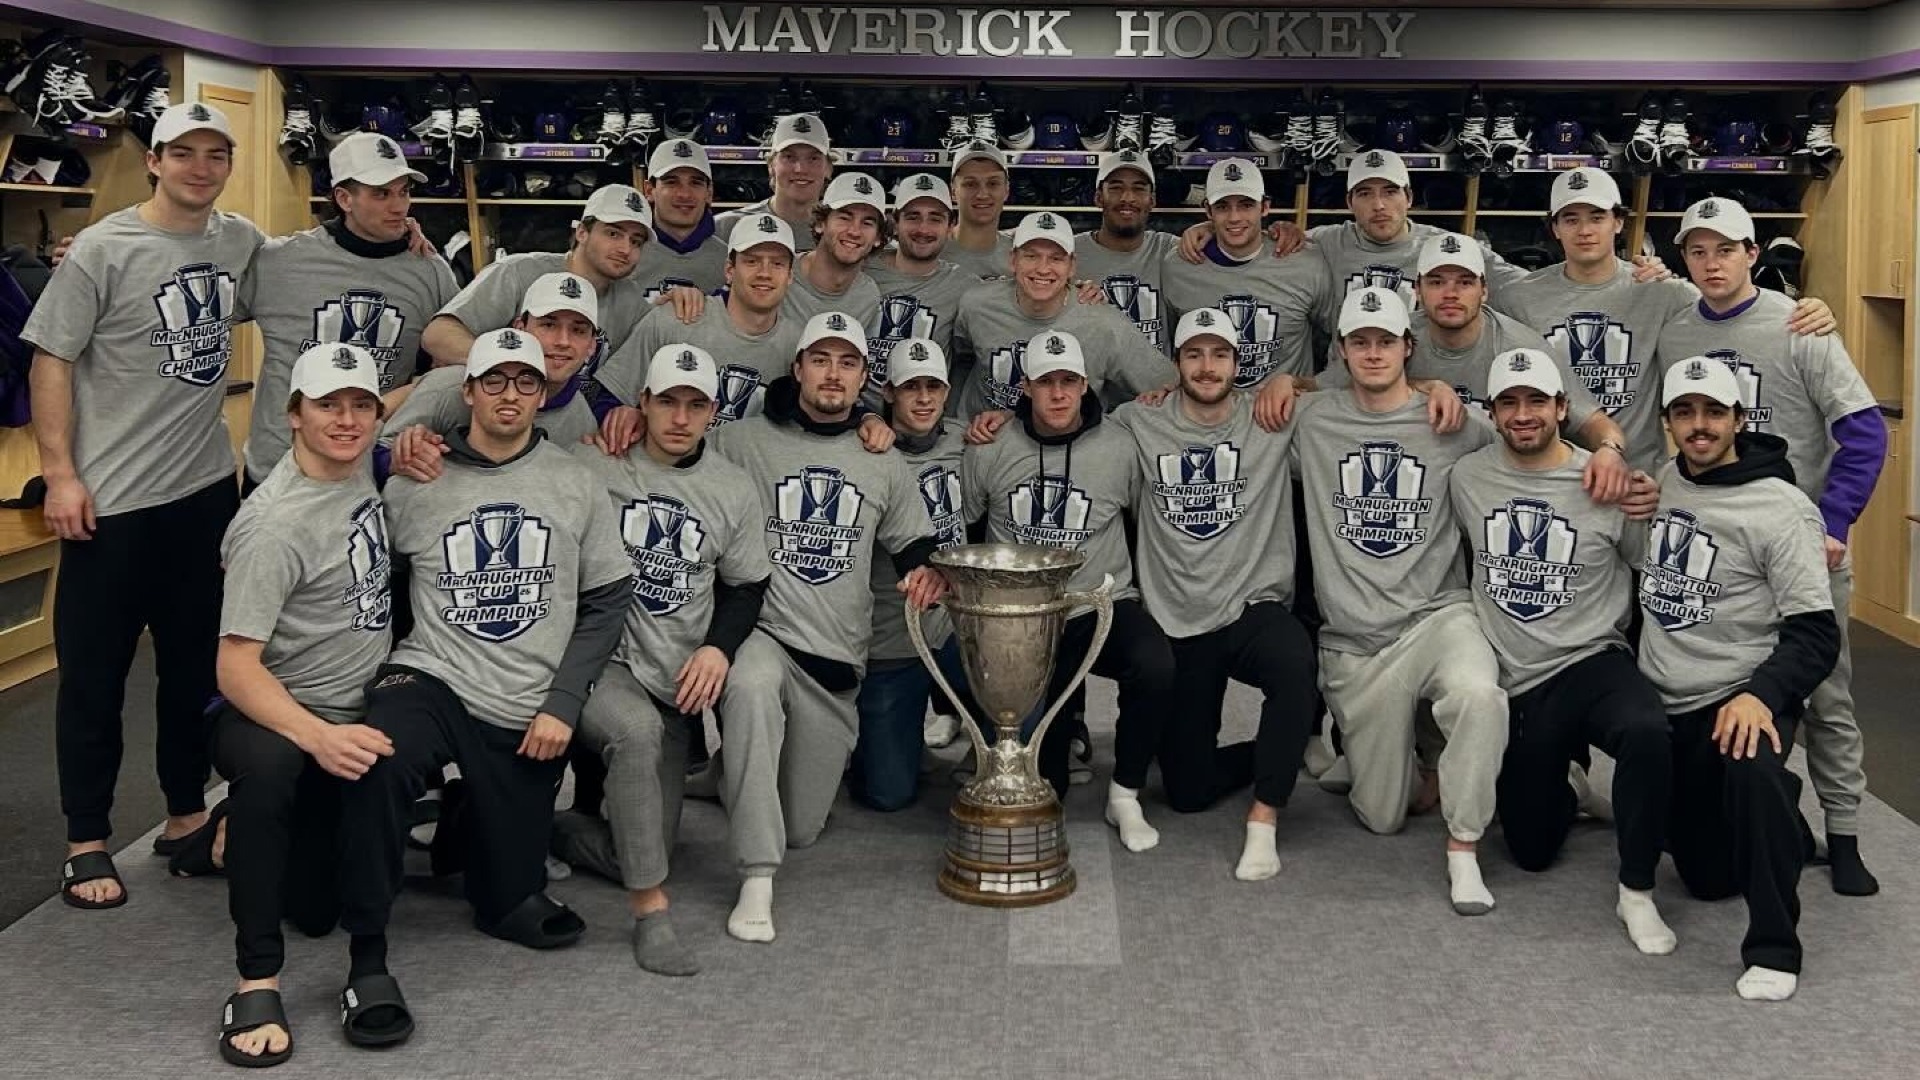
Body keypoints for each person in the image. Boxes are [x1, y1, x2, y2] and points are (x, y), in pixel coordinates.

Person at [333, 327, 632, 1046]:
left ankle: (472, 828)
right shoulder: (415, 480)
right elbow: (380, 587)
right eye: (493, 381)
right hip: (431, 673)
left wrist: (563, 703)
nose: (508, 395)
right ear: (466, 391)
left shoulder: (573, 481)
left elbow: (608, 599)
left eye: (525, 383)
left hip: (524, 697)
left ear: (543, 394)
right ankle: (366, 956)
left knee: (507, 898)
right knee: (382, 755)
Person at [25, 101, 264, 908]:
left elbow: (312, 270)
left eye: (216, 153)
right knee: (94, 676)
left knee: (194, 671)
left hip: (202, 498)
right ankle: (86, 839)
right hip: (111, 503)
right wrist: (60, 474)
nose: (201, 167)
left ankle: (182, 813)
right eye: (184, 153)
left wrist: (403, 241)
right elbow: (51, 360)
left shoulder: (240, 242)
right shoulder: (101, 249)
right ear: (155, 161)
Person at [1655, 196, 1887, 897]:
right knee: (1726, 695)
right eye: (1697, 251)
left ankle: (1843, 833)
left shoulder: (1800, 326)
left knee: (1827, 698)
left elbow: (1865, 433)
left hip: (1802, 548)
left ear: (1753, 254)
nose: (1712, 263)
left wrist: (1834, 522)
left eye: (1726, 249)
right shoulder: (1674, 328)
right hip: (1718, 555)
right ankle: (1761, 812)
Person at [705, 311, 948, 942]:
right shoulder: (740, 441)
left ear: (864, 378)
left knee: (805, 826)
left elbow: (916, 544)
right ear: (798, 368)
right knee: (751, 684)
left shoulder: (880, 459)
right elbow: (671, 462)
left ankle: (727, 772)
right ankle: (757, 876)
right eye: (821, 360)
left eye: (846, 363)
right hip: (763, 634)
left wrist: (928, 576)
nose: (832, 374)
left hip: (835, 659)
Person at [201, 342, 395, 1065]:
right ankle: (255, 979)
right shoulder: (275, 526)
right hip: (271, 713)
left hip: (347, 705)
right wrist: (317, 737)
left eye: (361, 405)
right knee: (271, 780)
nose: (346, 420)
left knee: (318, 911)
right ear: (292, 416)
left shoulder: (354, 470)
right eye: (327, 405)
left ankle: (228, 831)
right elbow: (234, 667)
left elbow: (421, 394)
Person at [552, 343, 772, 975]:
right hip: (600, 662)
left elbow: (746, 585)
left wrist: (716, 648)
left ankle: (537, 828)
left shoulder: (730, 490)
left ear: (712, 413)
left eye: (695, 404)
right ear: (641, 403)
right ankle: (652, 916)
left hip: (669, 674)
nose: (680, 417)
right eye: (667, 401)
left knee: (644, 846)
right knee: (635, 733)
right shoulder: (593, 464)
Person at [1449, 347, 1675, 953]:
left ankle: (1637, 891)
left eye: (1537, 402)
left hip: (1592, 658)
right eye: (1510, 403)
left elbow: (1655, 572)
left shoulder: (1604, 480)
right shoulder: (1467, 478)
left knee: (1648, 732)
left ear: (1561, 407)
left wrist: (1647, 498)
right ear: (1493, 413)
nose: (1524, 415)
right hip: (1520, 678)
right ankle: (1571, 788)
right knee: (1529, 849)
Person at [1292, 285, 1507, 915]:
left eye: (1386, 340)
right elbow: (1222, 413)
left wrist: (1604, 456)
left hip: (1438, 615)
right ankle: (1409, 757)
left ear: (1409, 347)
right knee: (1381, 815)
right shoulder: (1314, 419)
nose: (1374, 352)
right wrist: (1287, 387)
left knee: (1478, 694)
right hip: (1358, 641)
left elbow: (1533, 440)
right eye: (1361, 342)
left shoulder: (1453, 420)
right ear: (1341, 351)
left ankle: (1464, 848)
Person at [1638, 356, 1840, 1001]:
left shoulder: (1782, 509)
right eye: (1685, 413)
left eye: (1714, 412)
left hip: (1740, 693)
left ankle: (1776, 950)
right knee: (1706, 878)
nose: (1700, 426)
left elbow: (1816, 633)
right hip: (1667, 698)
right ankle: (1785, 830)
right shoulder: (1668, 480)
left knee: (1753, 775)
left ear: (1739, 420)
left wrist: (1760, 695)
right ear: (1669, 422)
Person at [1113, 309, 1315, 880]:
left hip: (1252, 605)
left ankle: (1264, 819)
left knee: (1294, 662)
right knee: (1188, 791)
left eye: (1219, 354)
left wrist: (1293, 380)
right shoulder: (1136, 420)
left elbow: (1366, 387)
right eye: (1194, 355)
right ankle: (1279, 746)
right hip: (1179, 617)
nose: (1207, 367)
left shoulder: (1273, 416)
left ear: (1237, 362)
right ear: (1176, 363)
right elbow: (1071, 427)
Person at [960, 329, 1174, 850]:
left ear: (1086, 384)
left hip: (1099, 605)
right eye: (1046, 381)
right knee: (1041, 782)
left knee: (1155, 663)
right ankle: (1049, 753)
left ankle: (1124, 792)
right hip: (1025, 622)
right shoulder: (990, 447)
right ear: (1026, 387)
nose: (1058, 393)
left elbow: (1140, 524)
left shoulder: (1121, 447)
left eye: (1069, 381)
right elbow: (963, 530)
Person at [1496, 168, 1835, 472]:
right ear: (1554, 228)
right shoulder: (1519, 296)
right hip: (1548, 472)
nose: (1584, 230)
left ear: (1618, 222)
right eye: (1570, 219)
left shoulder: (1663, 292)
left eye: (1597, 216)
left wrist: (1805, 308)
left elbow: (1734, 304)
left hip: (1638, 478)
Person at [1319, 232, 1635, 506]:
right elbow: (1324, 388)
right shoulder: (1394, 339)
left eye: (1465, 282)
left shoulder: (1519, 346)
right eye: (1437, 282)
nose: (1451, 294)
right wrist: (1286, 383)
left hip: (1494, 493)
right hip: (1412, 491)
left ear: (1484, 290)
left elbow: (1591, 419)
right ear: (1417, 290)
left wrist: (1610, 451)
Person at [241, 131, 458, 488]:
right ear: (344, 198)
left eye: (404, 191)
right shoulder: (279, 261)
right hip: (277, 474)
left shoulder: (431, 272)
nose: (399, 206)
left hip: (369, 473)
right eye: (381, 193)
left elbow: (451, 369)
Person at [850, 337, 969, 811]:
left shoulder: (968, 441)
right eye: (911, 387)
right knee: (887, 793)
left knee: (1017, 694)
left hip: (958, 624)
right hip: (891, 636)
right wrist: (864, 419)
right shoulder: (864, 450)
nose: (924, 398)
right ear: (888, 392)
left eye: (934, 387)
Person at [419, 183, 655, 389]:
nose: (625, 249)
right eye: (613, 234)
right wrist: (509, 367)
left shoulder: (631, 301)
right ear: (582, 232)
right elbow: (438, 335)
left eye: (636, 241)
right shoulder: (519, 272)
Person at [952, 211, 1170, 421]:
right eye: (1031, 256)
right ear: (1013, 260)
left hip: (1067, 445)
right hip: (983, 437)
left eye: (1056, 258)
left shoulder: (1104, 323)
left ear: (1072, 266)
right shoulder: (976, 304)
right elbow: (962, 355)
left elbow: (1167, 384)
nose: (1043, 269)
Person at [383, 272, 602, 480]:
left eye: (578, 331)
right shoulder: (452, 386)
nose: (563, 341)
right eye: (548, 325)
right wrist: (395, 459)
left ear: (592, 345)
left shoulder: (581, 423)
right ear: (521, 328)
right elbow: (370, 452)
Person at [599, 212, 801, 430]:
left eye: (777, 264)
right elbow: (609, 396)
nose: (764, 273)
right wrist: (624, 422)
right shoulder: (675, 320)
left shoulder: (800, 347)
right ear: (729, 271)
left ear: (790, 275)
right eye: (751, 261)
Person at [1159, 157, 1331, 390]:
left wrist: (1314, 386)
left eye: (1246, 205)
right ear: (1208, 210)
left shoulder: (1305, 261)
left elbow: (1343, 338)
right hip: (1208, 415)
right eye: (1222, 207)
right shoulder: (1178, 266)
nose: (1234, 217)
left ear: (1265, 206)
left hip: (1285, 415)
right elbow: (1168, 345)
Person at [863, 173, 978, 399]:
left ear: (950, 226)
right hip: (852, 416)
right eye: (913, 217)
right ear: (894, 223)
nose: (923, 229)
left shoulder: (965, 286)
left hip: (920, 421)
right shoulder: (861, 268)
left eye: (935, 218)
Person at [1073, 150, 1175, 352]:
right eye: (1116, 188)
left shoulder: (1169, 249)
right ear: (1098, 197)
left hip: (1159, 382)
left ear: (1152, 200)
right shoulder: (1068, 253)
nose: (1127, 198)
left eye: (1138, 189)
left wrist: (1206, 229)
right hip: (1090, 382)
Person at [782, 171, 885, 330]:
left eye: (867, 223)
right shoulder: (780, 276)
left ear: (878, 237)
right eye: (844, 218)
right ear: (820, 223)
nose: (854, 231)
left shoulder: (868, 296)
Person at [715, 112, 832, 252]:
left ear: (828, 168)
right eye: (789, 157)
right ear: (771, 165)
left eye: (813, 158)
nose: (800, 169)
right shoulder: (726, 229)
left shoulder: (845, 236)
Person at [631, 137, 730, 299]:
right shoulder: (624, 255)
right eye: (671, 182)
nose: (684, 194)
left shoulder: (729, 262)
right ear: (649, 190)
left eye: (695, 183)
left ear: (709, 193)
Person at [943, 139, 1014, 280]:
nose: (982, 194)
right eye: (970, 184)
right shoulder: (930, 251)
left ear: (1006, 190)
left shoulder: (1024, 253)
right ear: (953, 192)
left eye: (993, 183)